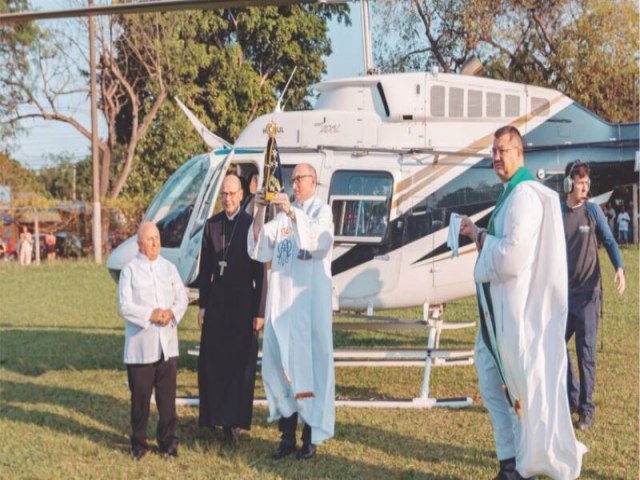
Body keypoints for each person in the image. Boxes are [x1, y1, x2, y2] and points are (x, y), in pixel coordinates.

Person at [460, 126, 586, 480]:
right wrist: (479, 234)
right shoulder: (510, 195)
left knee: (518, 391)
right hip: (497, 318)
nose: (497, 157)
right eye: (493, 152)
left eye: (503, 150)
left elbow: (514, 257)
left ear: (519, 152)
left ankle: (519, 465)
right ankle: (509, 460)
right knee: (492, 383)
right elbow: (503, 244)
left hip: (517, 316)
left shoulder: (524, 196)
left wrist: (484, 253)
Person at [248, 163, 335, 461]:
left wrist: (290, 212)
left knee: (308, 370)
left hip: (308, 308)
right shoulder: (284, 217)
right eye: (293, 179)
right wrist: (260, 210)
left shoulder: (321, 212)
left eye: (300, 179)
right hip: (281, 307)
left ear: (313, 181)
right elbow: (259, 247)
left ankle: (310, 436)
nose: (294, 184)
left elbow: (318, 242)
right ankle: (287, 435)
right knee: (279, 367)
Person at [197, 175, 265, 442]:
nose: (227, 198)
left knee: (239, 364)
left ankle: (234, 422)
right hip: (216, 303)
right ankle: (213, 417)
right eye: (223, 194)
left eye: (231, 193)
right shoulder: (212, 225)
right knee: (213, 361)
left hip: (243, 305)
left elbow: (261, 273)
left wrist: (259, 311)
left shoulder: (251, 225)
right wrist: (203, 305)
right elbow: (205, 270)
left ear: (240, 195)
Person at [561, 160, 625, 431]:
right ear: (568, 183)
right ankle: (572, 396)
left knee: (585, 353)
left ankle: (586, 410)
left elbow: (609, 241)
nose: (585, 187)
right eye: (580, 182)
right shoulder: (557, 212)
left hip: (589, 295)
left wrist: (620, 267)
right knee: (554, 345)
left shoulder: (592, 211)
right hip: (562, 295)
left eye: (587, 183)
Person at [118, 221, 188, 460]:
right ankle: (138, 443)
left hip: (166, 345)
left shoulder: (169, 268)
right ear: (139, 244)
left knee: (167, 400)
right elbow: (125, 306)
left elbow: (182, 297)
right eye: (149, 239)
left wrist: (171, 313)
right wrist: (150, 314)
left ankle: (169, 442)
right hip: (141, 347)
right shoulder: (129, 271)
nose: (155, 243)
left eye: (157, 238)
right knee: (140, 400)